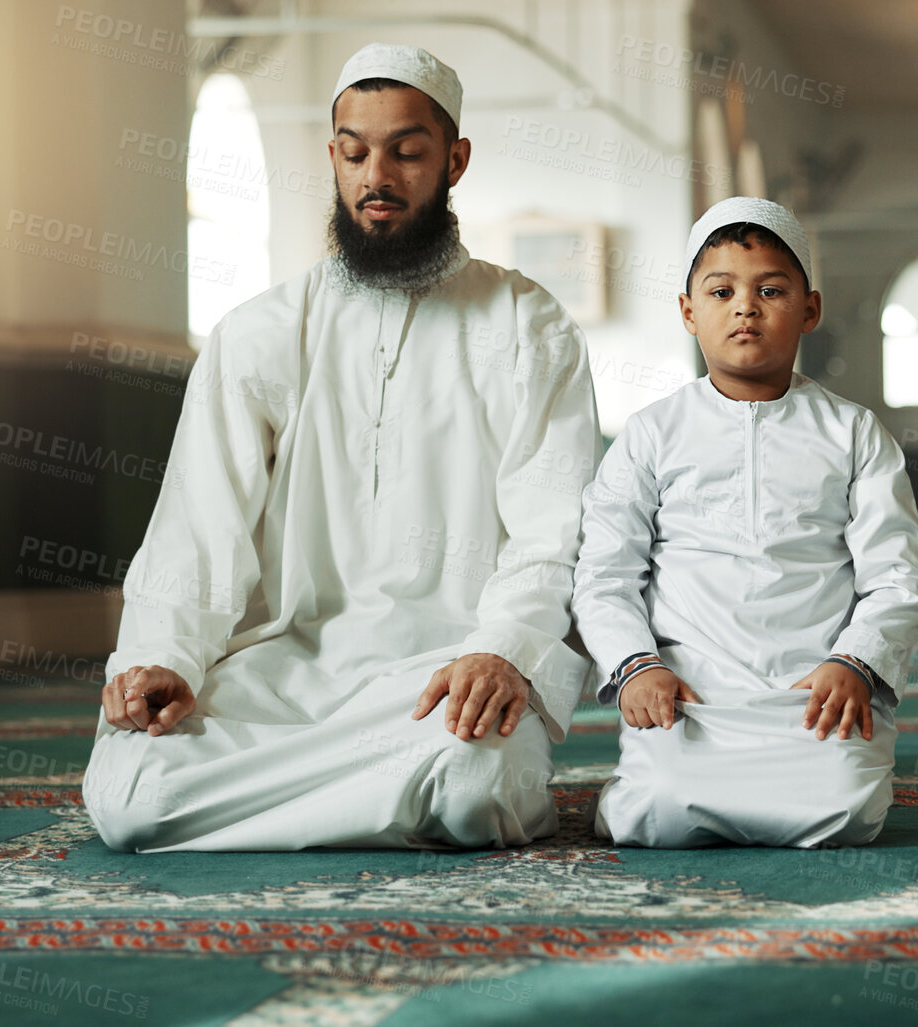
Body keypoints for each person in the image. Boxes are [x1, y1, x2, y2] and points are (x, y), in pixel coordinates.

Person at [80, 43, 602, 852]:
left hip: (446, 674)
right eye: (354, 152)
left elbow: (551, 531)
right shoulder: (257, 332)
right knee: (131, 794)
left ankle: (285, 804)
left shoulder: (527, 324)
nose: (376, 178)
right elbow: (198, 527)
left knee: (477, 786)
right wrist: (163, 655)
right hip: (283, 672)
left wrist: (501, 650)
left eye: (406, 151)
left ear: (454, 160)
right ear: (331, 156)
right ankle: (379, 801)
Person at [572, 197, 918, 848]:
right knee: (653, 811)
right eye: (721, 290)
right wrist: (636, 665)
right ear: (688, 312)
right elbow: (603, 572)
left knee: (845, 811)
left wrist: (854, 661)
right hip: (688, 691)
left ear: (809, 310)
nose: (745, 306)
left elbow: (897, 573)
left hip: (815, 687)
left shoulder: (852, 432)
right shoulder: (650, 433)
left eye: (770, 289)